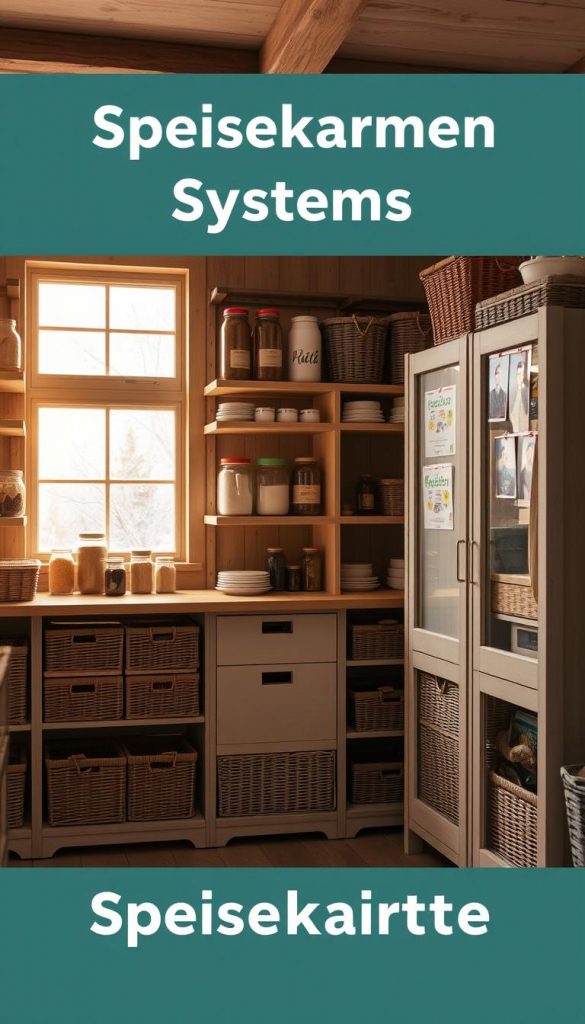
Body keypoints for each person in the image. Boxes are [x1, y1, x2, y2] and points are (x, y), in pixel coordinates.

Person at [509, 359, 529, 433]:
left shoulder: (528, 391)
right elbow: (511, 413)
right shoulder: (512, 392)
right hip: (515, 432)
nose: (521, 377)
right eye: (518, 374)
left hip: (526, 432)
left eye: (522, 374)